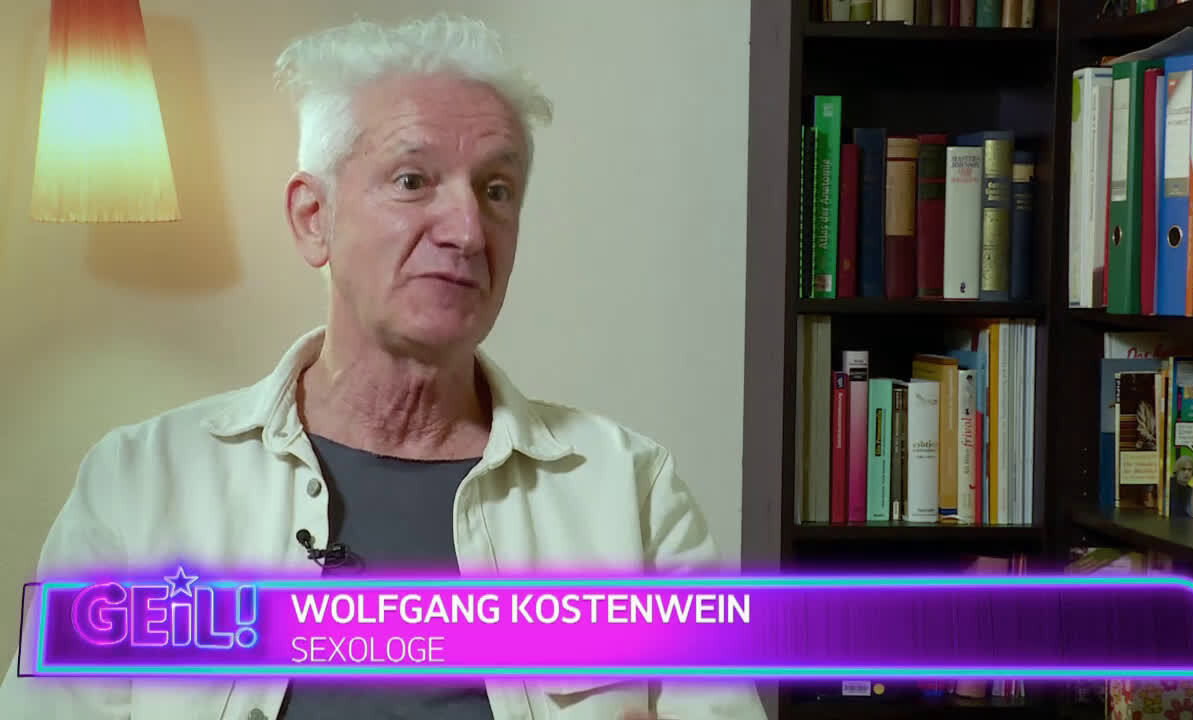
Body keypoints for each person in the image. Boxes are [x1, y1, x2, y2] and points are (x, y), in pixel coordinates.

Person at [0, 14, 767, 720]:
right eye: (412, 180)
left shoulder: (629, 492)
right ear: (314, 218)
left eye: (497, 190)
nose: (468, 230)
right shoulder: (139, 484)